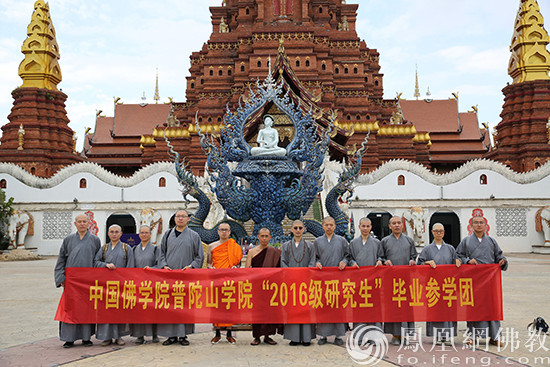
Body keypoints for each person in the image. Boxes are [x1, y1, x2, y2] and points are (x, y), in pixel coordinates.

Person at [456, 215, 508, 347]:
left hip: (490, 280)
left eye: (481, 223)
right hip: (473, 281)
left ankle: (494, 337)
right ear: (471, 226)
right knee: (474, 308)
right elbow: (458, 256)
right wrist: (468, 261)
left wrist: (503, 261)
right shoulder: (466, 241)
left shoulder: (491, 241)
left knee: (492, 307)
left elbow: (499, 255)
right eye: (476, 223)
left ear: (486, 225)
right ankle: (472, 337)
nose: (479, 225)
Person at [157, 209, 204, 346]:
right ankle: (171, 335)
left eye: (183, 216)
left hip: (186, 278)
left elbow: (199, 256)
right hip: (169, 277)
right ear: (175, 218)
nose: (181, 219)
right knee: (170, 306)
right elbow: (161, 254)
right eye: (178, 216)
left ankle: (183, 335)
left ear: (188, 219)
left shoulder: (194, 235)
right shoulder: (167, 234)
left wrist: (191, 266)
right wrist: (164, 266)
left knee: (185, 306)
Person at [54, 214, 101, 348]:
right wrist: (60, 278)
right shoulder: (68, 240)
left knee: (86, 308)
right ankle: (69, 338)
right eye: (79, 222)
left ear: (88, 223)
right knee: (70, 308)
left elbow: (97, 260)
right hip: (71, 282)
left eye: (84, 221)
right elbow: (61, 260)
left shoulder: (95, 240)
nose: (82, 224)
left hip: (87, 281)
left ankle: (86, 338)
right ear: (75, 224)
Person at [417, 223, 461, 345]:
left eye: (441, 231)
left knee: (448, 310)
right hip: (433, 285)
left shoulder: (451, 248)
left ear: (444, 232)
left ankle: (447, 335)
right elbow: (419, 265)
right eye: (436, 231)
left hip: (448, 285)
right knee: (435, 310)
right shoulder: (427, 249)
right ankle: (436, 335)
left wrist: (459, 261)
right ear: (432, 232)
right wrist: (426, 263)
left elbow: (456, 263)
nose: (439, 233)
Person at [94, 224, 134, 346]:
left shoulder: (127, 248)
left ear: (121, 234)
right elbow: (95, 262)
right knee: (106, 312)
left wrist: (126, 283)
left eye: (117, 232)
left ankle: (119, 337)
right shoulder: (104, 248)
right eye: (112, 232)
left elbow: (131, 267)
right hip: (106, 286)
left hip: (120, 285)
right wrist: (104, 265)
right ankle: (107, 337)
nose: (114, 234)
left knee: (119, 311)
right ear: (108, 233)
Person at [380, 216, 417, 346]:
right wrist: (385, 261)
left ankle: (405, 335)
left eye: (399, 223)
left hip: (406, 280)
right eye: (394, 223)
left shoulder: (409, 240)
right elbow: (381, 257)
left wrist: (413, 261)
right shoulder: (384, 241)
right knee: (393, 307)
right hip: (391, 281)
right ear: (389, 226)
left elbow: (414, 256)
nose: (396, 225)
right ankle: (395, 335)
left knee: (406, 308)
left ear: (402, 225)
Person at [314, 216, 349, 346]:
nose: (329, 227)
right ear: (322, 226)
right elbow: (315, 257)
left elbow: (348, 255)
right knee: (323, 306)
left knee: (338, 307)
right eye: (326, 225)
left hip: (339, 279)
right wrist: (317, 263)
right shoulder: (317, 241)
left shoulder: (341, 240)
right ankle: (323, 335)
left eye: (331, 225)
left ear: (335, 226)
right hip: (323, 280)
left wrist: (344, 262)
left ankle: (339, 335)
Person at [206, 222, 243, 345]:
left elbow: (238, 263)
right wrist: (211, 268)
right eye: (222, 229)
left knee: (229, 306)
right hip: (217, 280)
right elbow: (209, 263)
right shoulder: (212, 246)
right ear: (218, 231)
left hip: (230, 280)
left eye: (226, 230)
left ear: (230, 232)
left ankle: (229, 333)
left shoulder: (234, 246)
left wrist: (235, 267)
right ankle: (217, 333)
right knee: (216, 307)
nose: (224, 232)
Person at [281, 220, 316, 346]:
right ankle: (294, 337)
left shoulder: (310, 246)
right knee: (293, 309)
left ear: (304, 229)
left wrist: (306, 275)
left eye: (300, 228)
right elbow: (283, 262)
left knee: (306, 309)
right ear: (291, 230)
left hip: (306, 283)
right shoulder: (285, 245)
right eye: (295, 228)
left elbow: (312, 262)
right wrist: (291, 275)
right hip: (291, 283)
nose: (297, 230)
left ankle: (307, 337)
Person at [348, 217, 383, 345]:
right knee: (359, 309)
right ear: (359, 227)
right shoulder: (353, 243)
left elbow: (381, 256)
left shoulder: (377, 243)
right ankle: (359, 337)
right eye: (363, 226)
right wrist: (352, 263)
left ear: (371, 227)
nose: (365, 229)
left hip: (373, 281)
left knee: (374, 309)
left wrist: (379, 260)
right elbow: (349, 257)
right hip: (358, 281)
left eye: (368, 226)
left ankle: (375, 337)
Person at [246, 228, 283, 345]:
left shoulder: (275, 252)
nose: (264, 238)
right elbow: (247, 270)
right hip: (257, 286)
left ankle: (268, 335)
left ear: (270, 237)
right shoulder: (252, 252)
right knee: (257, 311)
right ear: (258, 237)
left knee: (270, 311)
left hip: (271, 286)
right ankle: (256, 336)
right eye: (262, 236)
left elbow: (279, 271)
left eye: (266, 236)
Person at [131, 225, 160, 344]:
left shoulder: (155, 249)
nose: (144, 235)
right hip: (138, 284)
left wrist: (151, 268)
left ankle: (154, 334)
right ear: (139, 234)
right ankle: (140, 335)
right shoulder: (133, 249)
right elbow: (131, 266)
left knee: (153, 309)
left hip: (151, 284)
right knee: (139, 310)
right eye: (142, 232)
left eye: (146, 232)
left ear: (150, 234)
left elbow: (159, 265)